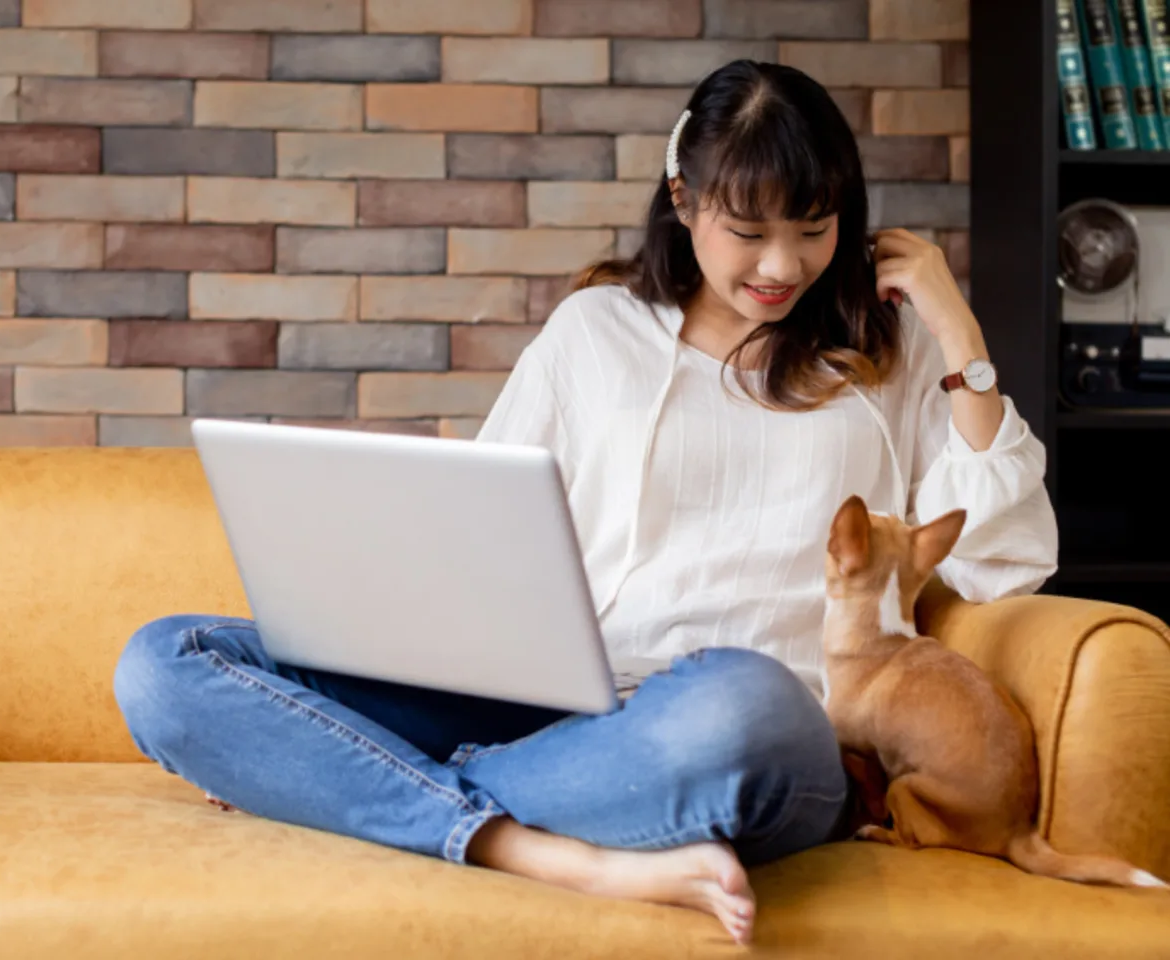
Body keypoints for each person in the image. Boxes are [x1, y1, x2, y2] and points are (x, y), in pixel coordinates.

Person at [112, 60, 1059, 944]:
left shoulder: (888, 356)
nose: (782, 265)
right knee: (165, 662)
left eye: (815, 231)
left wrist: (958, 326)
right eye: (750, 230)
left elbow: (999, 559)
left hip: (746, 733)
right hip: (555, 716)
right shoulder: (593, 333)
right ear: (683, 200)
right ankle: (534, 848)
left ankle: (342, 782)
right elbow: (476, 534)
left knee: (742, 702)